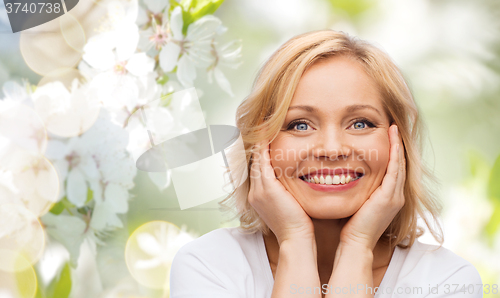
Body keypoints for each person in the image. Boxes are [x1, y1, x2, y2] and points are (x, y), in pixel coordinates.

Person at [169, 30, 483, 298]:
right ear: (260, 145)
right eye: (299, 125)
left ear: (397, 143)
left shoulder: (446, 281)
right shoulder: (209, 266)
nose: (332, 150)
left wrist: (357, 247)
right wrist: (295, 242)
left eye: (360, 123)